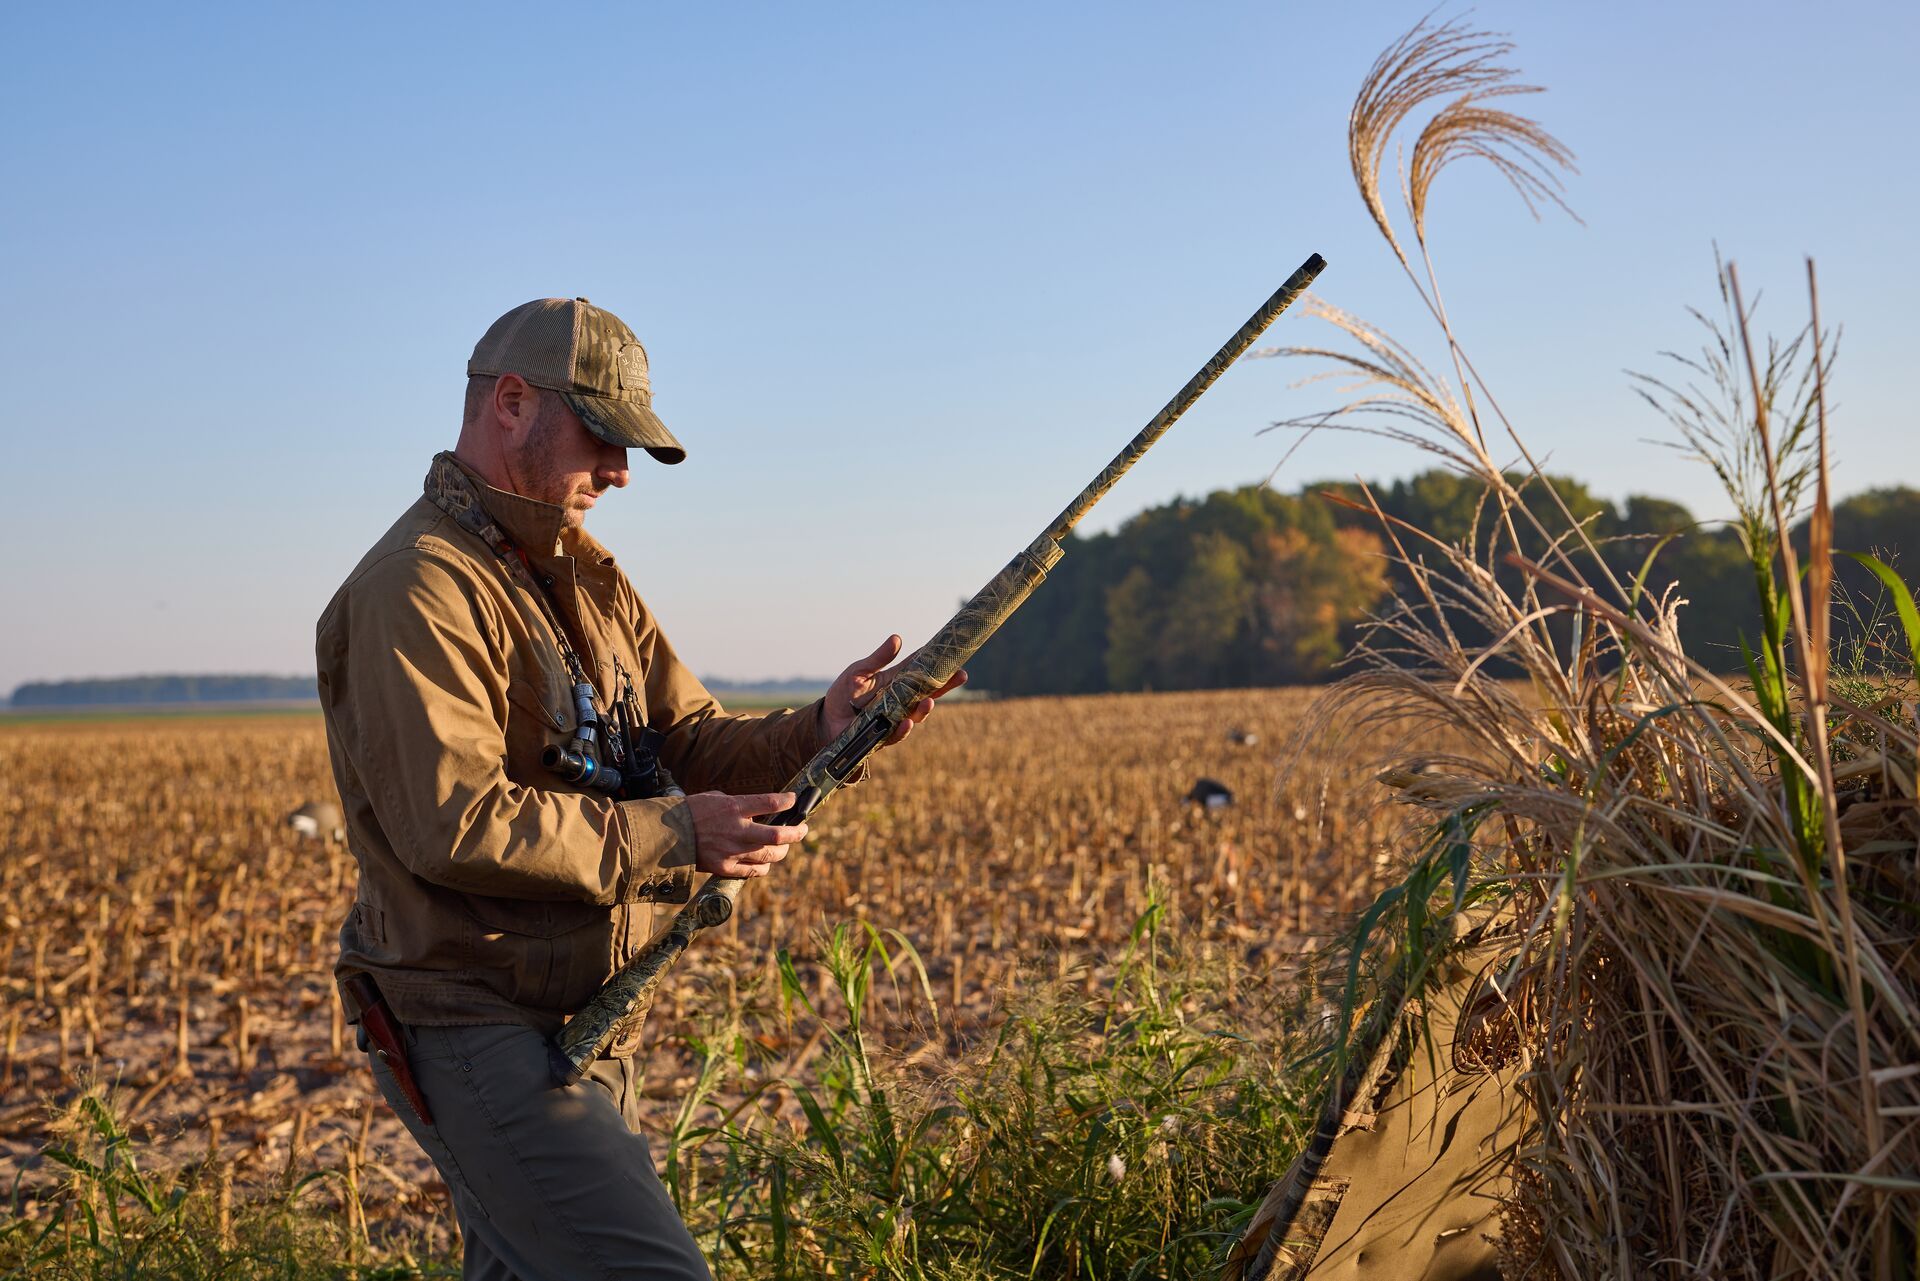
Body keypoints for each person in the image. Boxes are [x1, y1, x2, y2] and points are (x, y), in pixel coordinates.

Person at [315, 297, 963, 1279]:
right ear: (513, 404)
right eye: (603, 439)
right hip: (477, 1022)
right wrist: (675, 838)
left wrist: (822, 729)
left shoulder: (587, 574)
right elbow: (455, 825)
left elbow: (686, 740)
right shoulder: (418, 589)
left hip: (588, 1019)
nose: (619, 473)